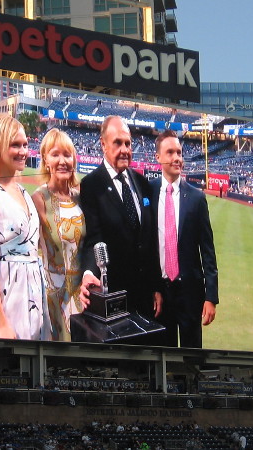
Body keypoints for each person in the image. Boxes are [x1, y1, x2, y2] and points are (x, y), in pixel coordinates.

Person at [0, 113, 49, 340]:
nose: (23, 151)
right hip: (8, 297)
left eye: (25, 144)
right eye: (15, 145)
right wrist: (2, 322)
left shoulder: (24, 192)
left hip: (34, 292)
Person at [79, 116, 162, 319]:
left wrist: (156, 286)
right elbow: (94, 238)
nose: (125, 149)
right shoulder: (92, 185)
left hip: (145, 297)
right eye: (118, 142)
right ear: (103, 144)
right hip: (114, 297)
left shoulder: (142, 183)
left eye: (128, 143)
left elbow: (149, 240)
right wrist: (90, 273)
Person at [151, 129, 218, 348]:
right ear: (158, 158)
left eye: (179, 152)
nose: (177, 158)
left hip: (190, 292)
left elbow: (207, 251)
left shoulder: (197, 198)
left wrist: (211, 297)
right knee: (164, 357)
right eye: (170, 152)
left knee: (192, 359)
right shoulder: (147, 192)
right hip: (160, 293)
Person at [32, 129, 86, 341]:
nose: (62, 161)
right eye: (55, 154)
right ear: (46, 160)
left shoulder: (81, 197)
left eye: (67, 154)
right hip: (54, 301)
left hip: (83, 299)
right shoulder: (39, 199)